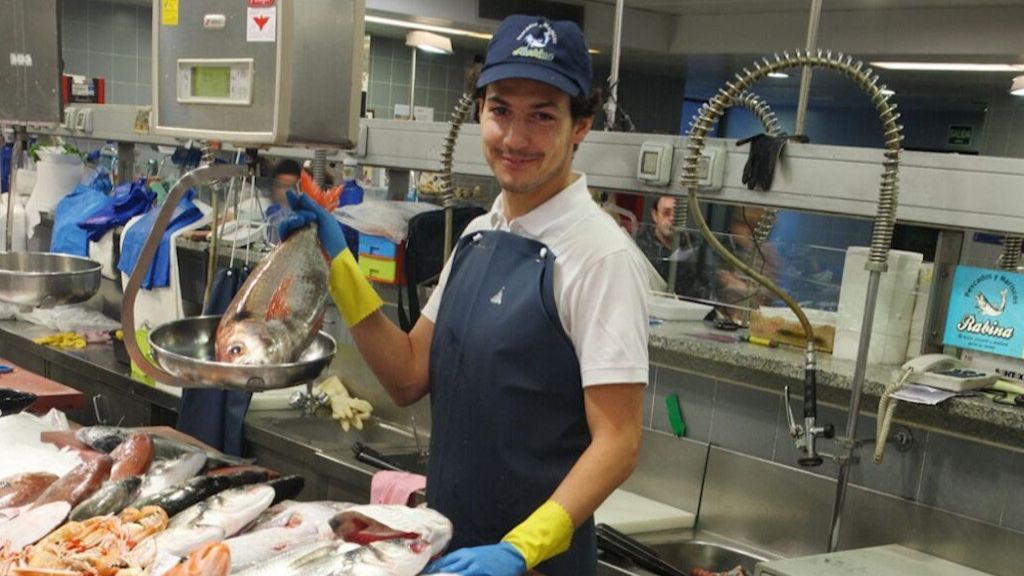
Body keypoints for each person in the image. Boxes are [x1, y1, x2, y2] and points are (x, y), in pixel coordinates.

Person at [280, 14, 648, 576]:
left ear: (581, 126)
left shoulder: (600, 256)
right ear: (480, 111)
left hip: (535, 565)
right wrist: (340, 266)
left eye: (543, 116)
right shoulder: (479, 236)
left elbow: (618, 441)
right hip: (449, 552)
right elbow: (405, 376)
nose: (516, 138)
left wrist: (522, 548)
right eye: (500, 110)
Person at [636, 195, 710, 299]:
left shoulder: (694, 248)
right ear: (654, 215)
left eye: (677, 214)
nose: (672, 218)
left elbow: (705, 290)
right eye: (666, 213)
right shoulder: (639, 244)